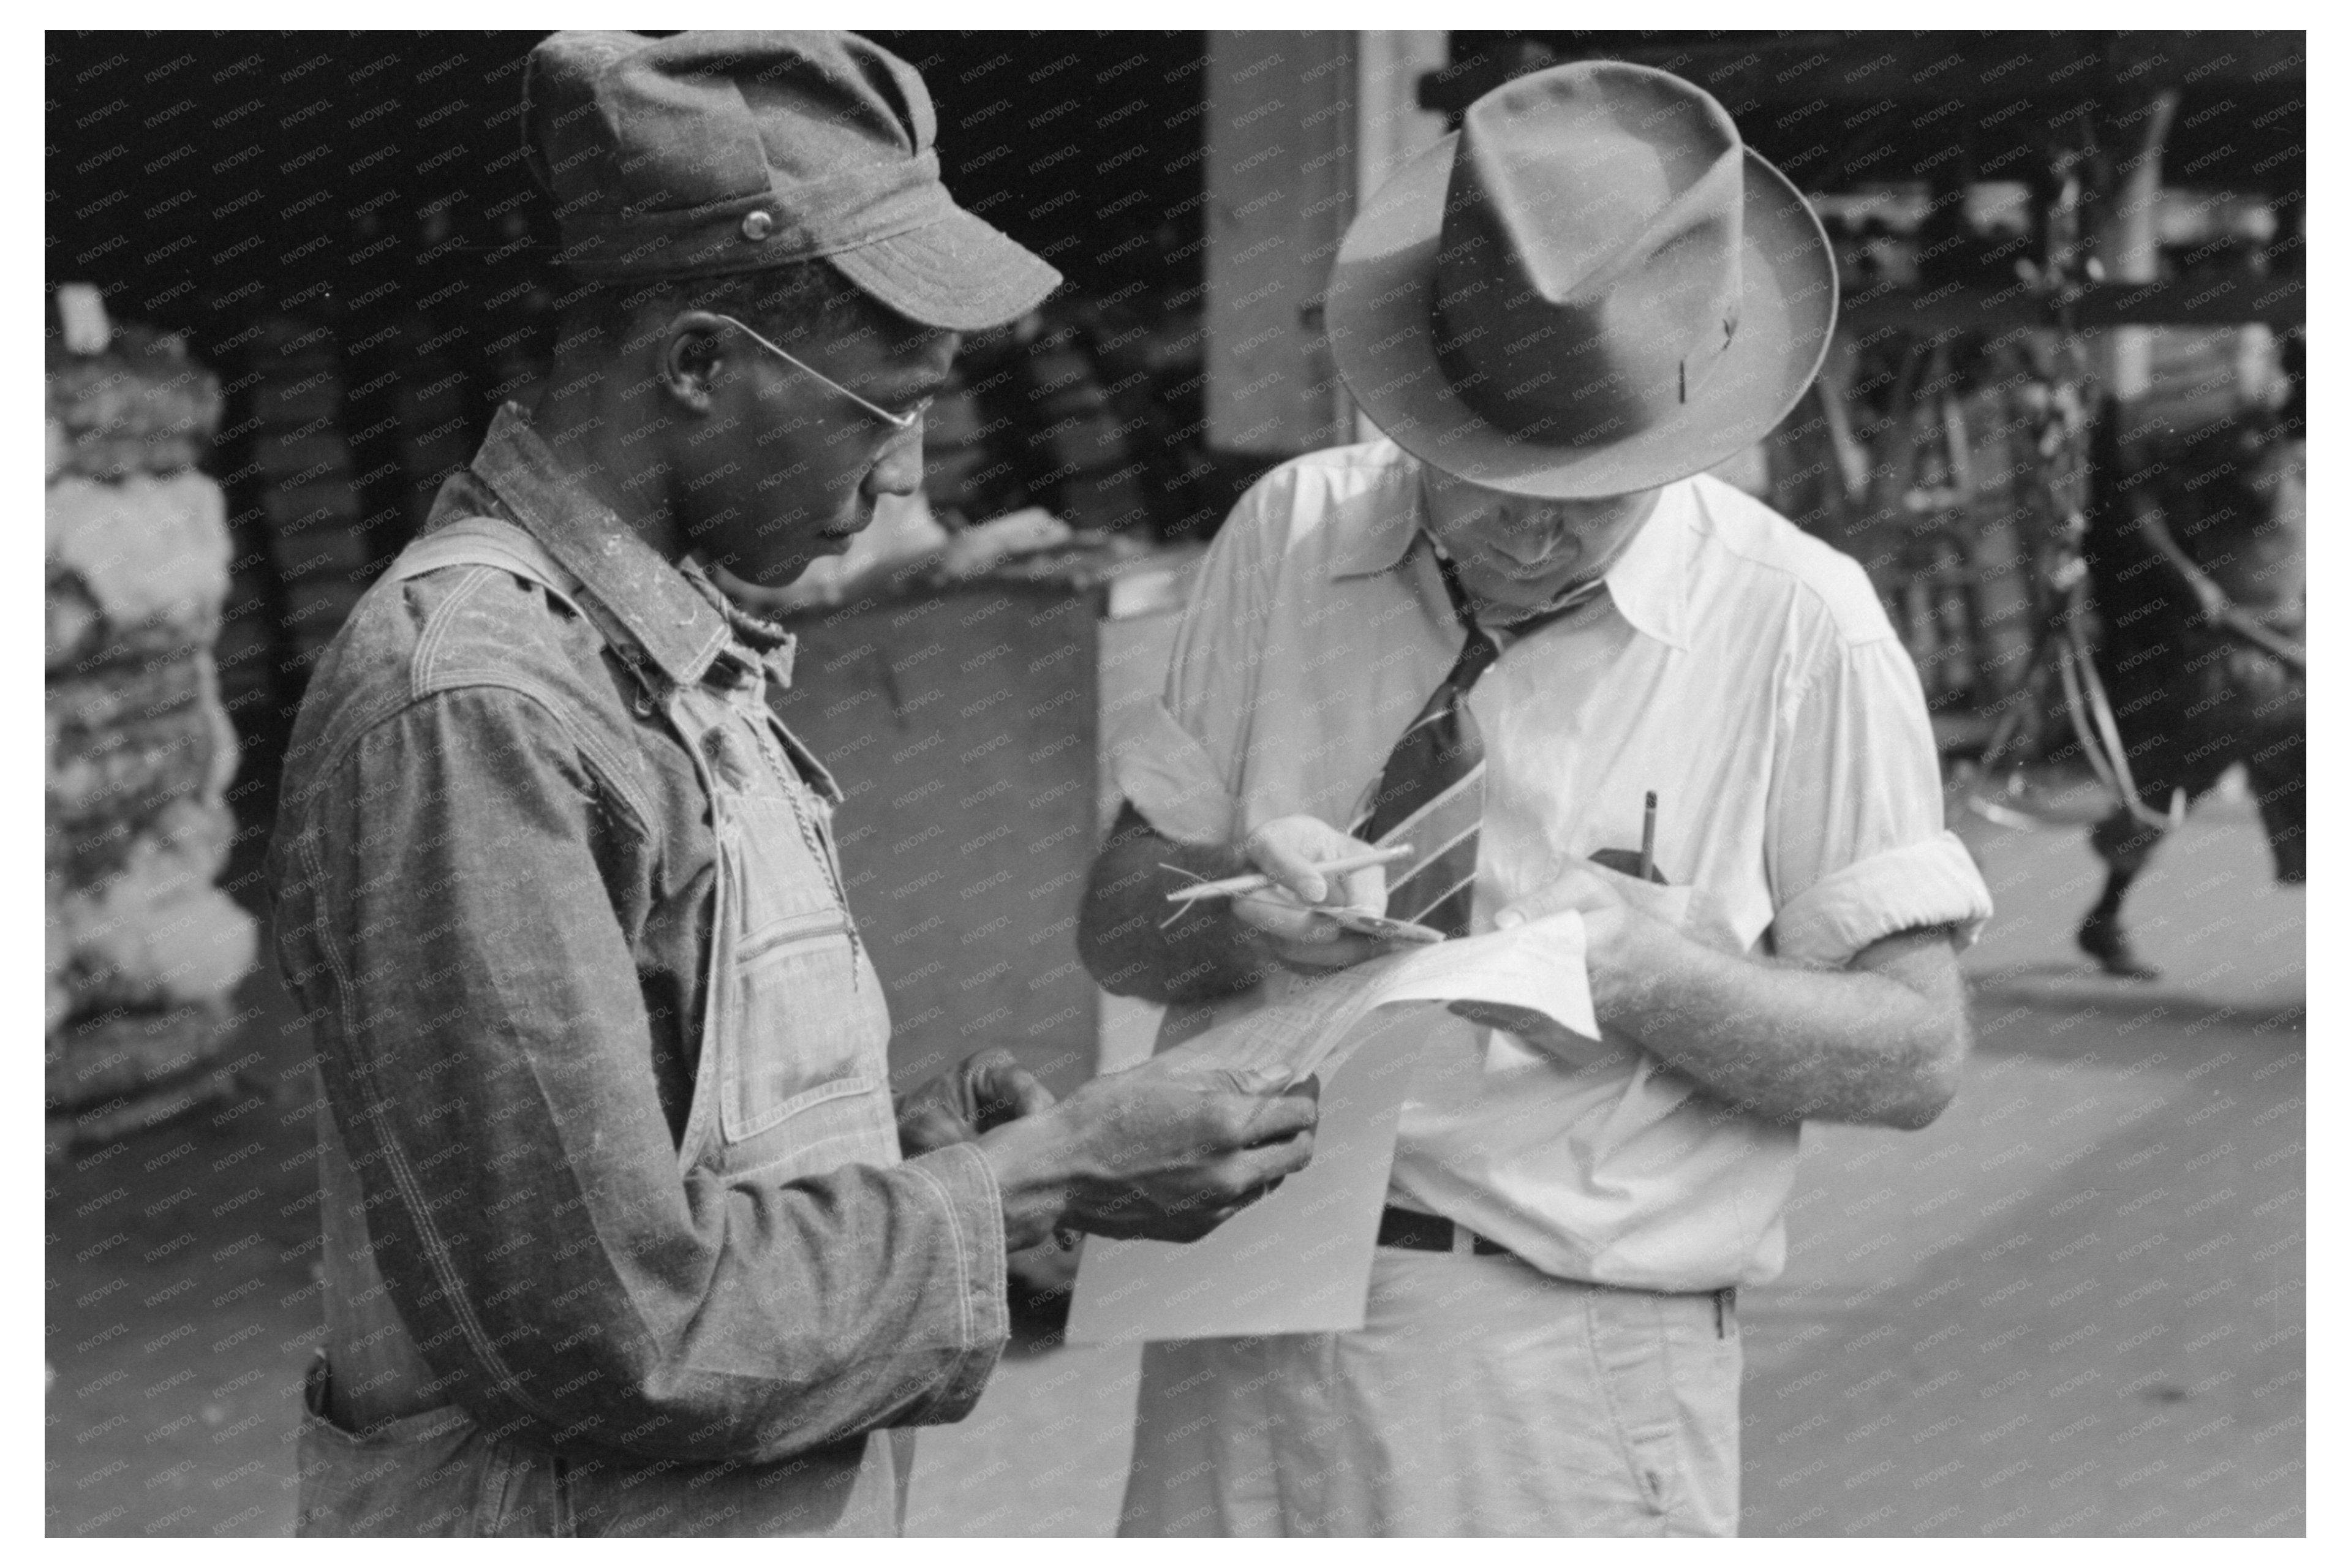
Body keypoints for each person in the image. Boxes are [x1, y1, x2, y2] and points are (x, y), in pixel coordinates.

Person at [266, 31, 1316, 1538]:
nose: (905, 481)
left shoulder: (672, 654)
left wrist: (910, 1152)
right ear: (699, 361)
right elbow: (617, 1323)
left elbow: (655, 1154)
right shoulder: (480, 705)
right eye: (888, 411)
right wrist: (1035, 1175)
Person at [1077, 61, 1993, 1537]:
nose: (1529, 535)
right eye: (1484, 475)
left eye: (1593, 493)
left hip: (1557, 1351)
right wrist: (1243, 909)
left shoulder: (1797, 623)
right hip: (1233, 1295)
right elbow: (1119, 929)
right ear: (1411, 401)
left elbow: (1912, 1053)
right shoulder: (1286, 536)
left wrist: (1635, 971)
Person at [2075, 386, 2306, 979]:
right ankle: (2105, 916)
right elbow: (2138, 501)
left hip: (2288, 659)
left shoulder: (2300, 467)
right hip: (2224, 668)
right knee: (2160, 795)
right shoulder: (2234, 450)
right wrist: (2192, 583)